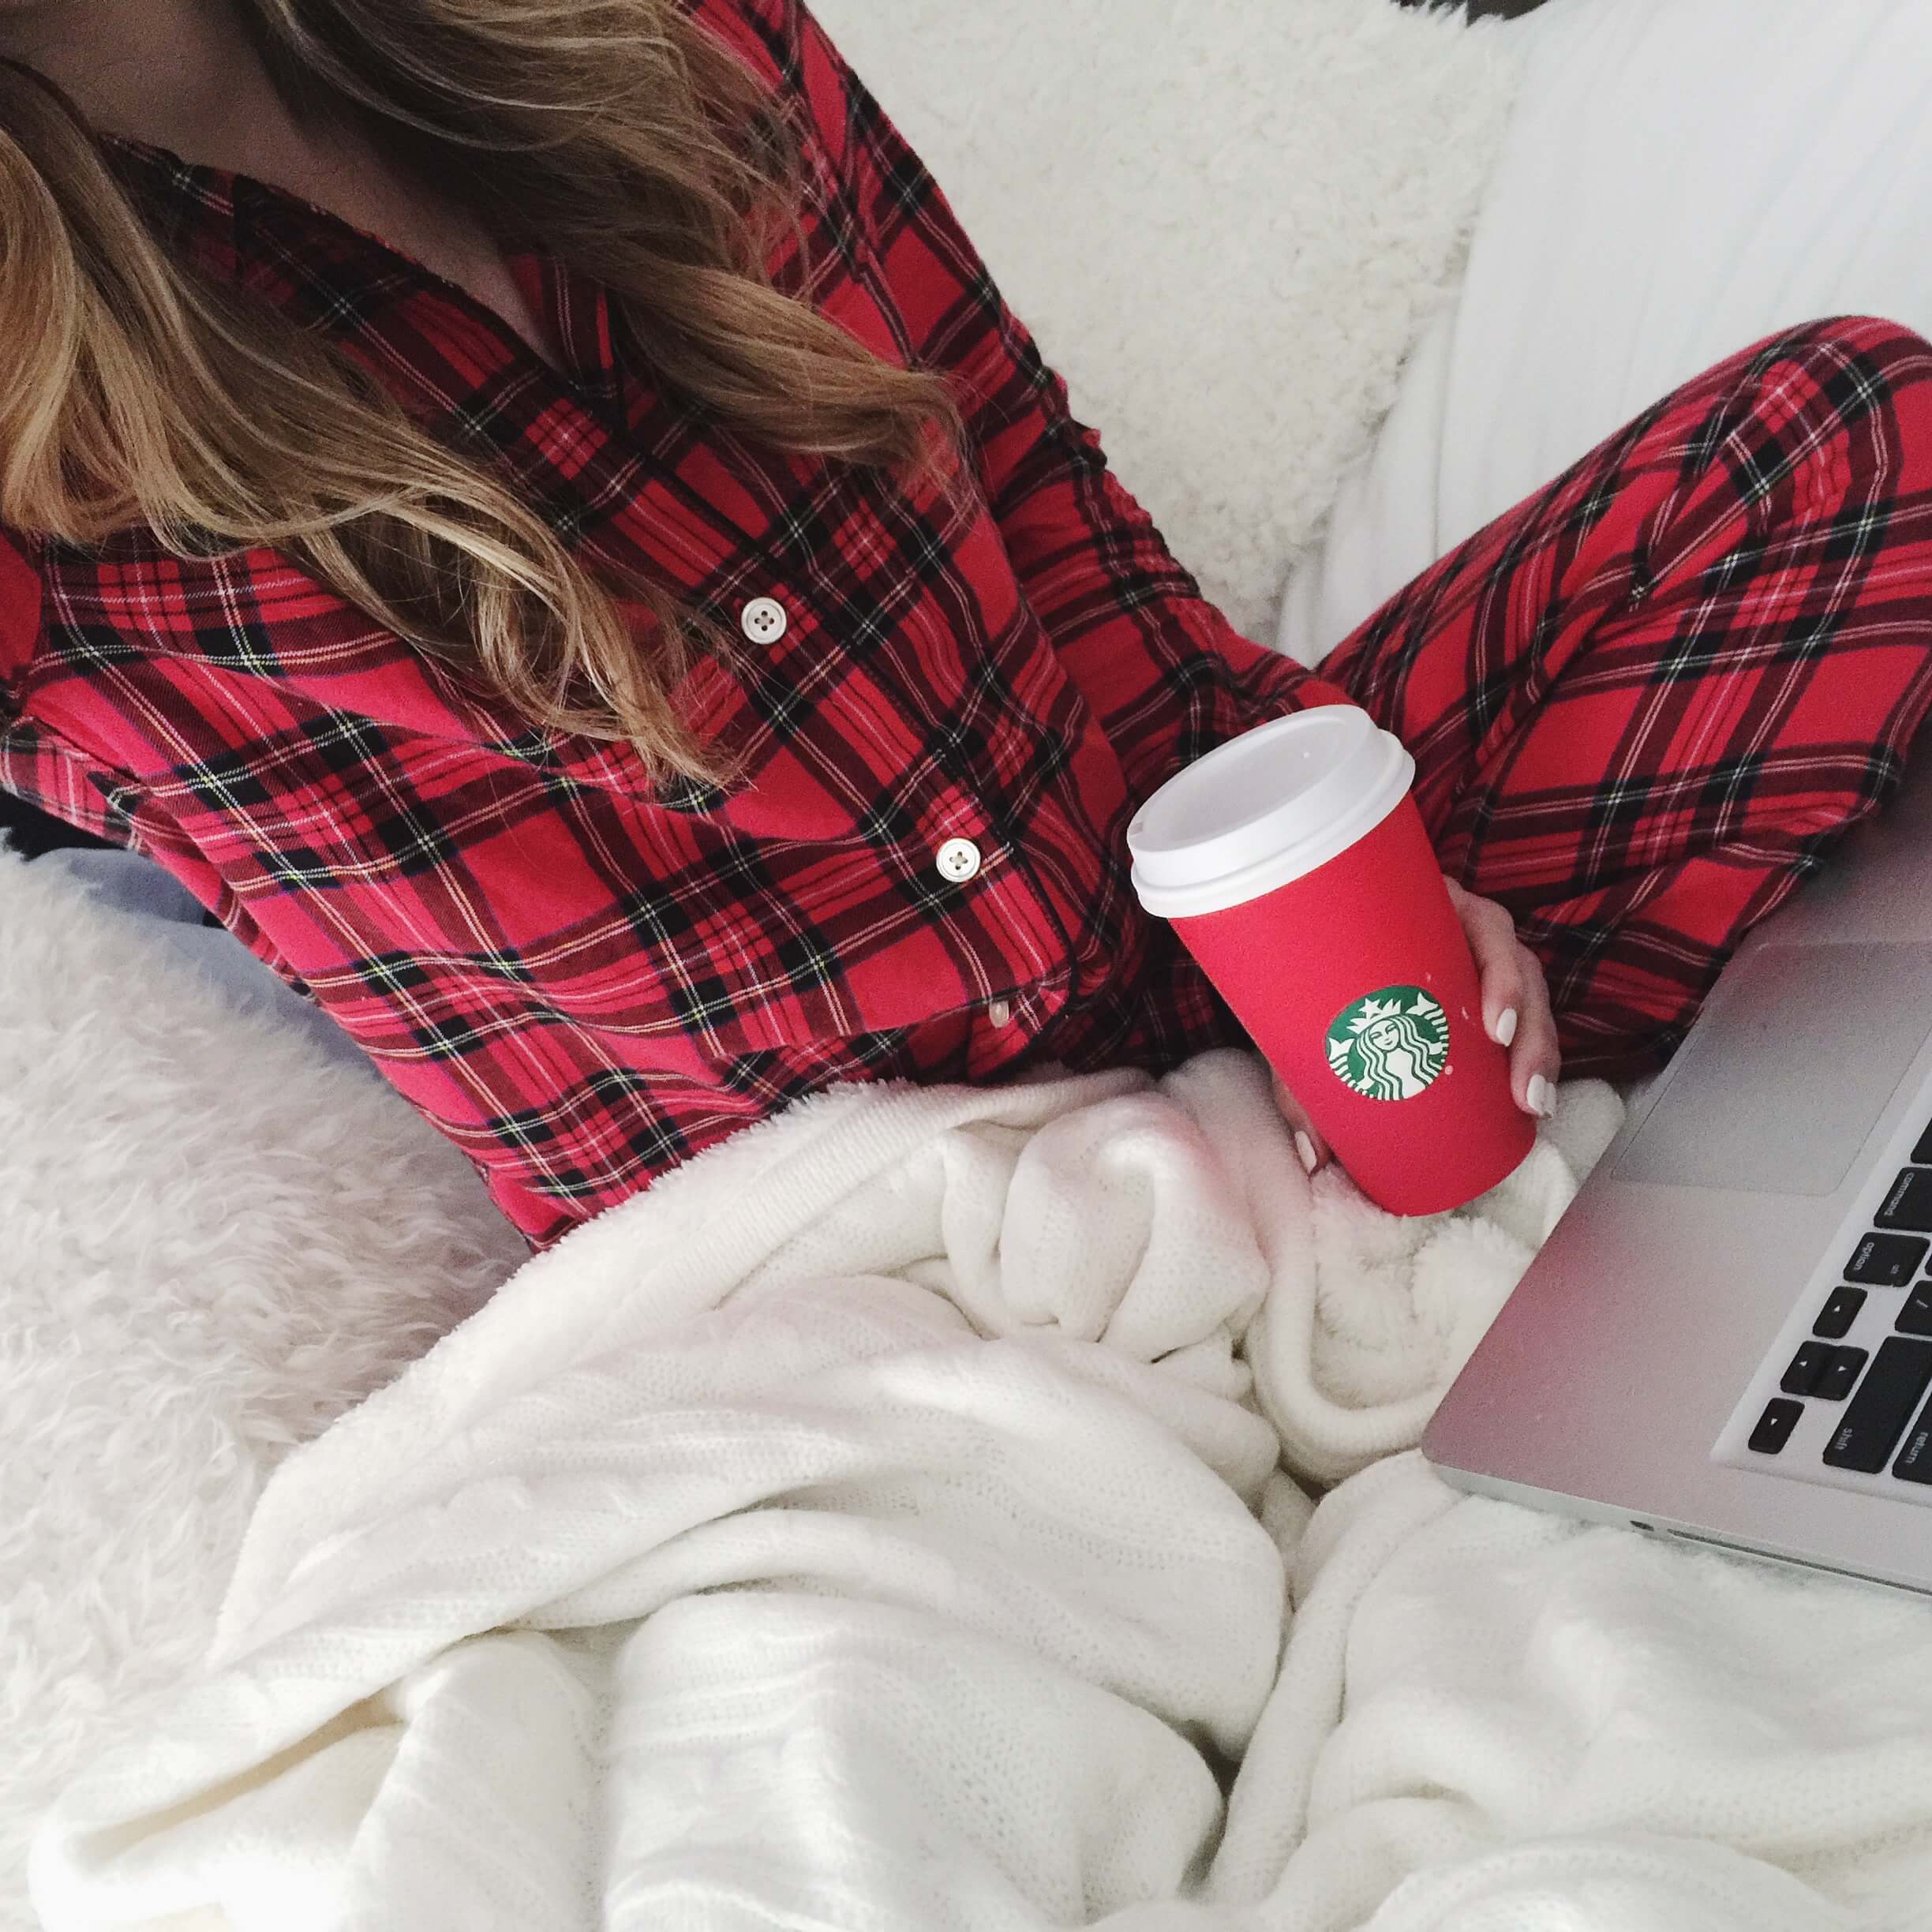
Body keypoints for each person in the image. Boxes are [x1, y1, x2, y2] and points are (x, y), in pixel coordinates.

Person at [0, 0, 1928, 1256]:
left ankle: (1470, 1187)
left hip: (1192, 957)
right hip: (871, 1264)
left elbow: (1050, 510)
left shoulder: (666, 32)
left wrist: (1363, 858)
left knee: (1853, 433)